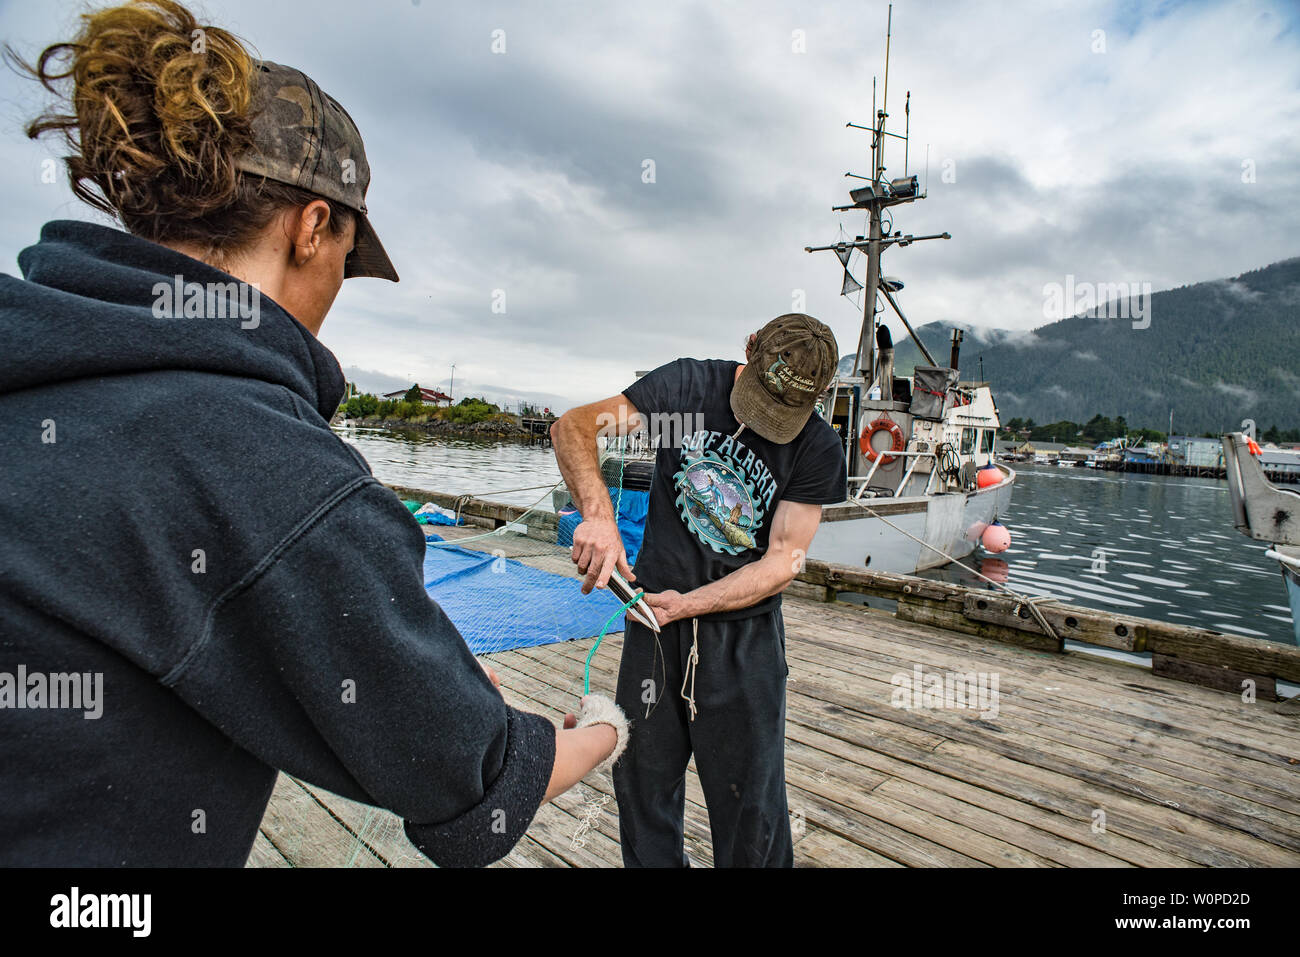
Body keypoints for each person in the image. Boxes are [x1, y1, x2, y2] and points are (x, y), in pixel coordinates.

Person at [0, 0, 625, 868]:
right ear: (313, 227)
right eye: (345, 261)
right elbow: (474, 782)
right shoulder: (263, 461)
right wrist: (599, 728)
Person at [550, 313, 847, 866]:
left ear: (821, 394)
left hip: (743, 645)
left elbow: (784, 559)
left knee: (750, 811)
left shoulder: (817, 447)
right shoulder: (686, 389)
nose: (764, 423)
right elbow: (574, 426)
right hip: (653, 632)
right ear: (751, 347)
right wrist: (598, 515)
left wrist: (692, 604)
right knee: (643, 789)